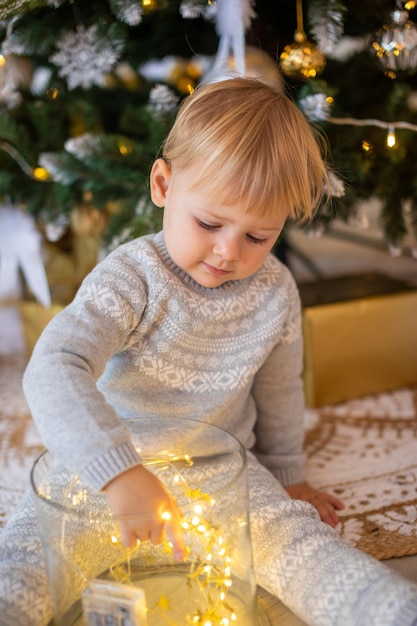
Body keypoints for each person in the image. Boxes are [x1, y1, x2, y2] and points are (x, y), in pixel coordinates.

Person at [1, 77, 417, 626]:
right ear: (163, 184)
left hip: (222, 475)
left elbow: (279, 389)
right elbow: (55, 366)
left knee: (311, 553)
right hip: (98, 478)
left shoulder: (275, 291)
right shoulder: (132, 278)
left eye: (257, 236)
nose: (228, 252)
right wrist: (120, 475)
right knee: (22, 572)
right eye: (210, 223)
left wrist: (288, 474)